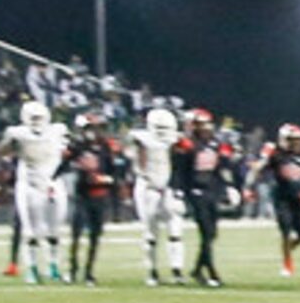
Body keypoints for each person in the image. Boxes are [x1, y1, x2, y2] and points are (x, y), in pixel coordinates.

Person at [0, 97, 68, 284]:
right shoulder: (17, 133)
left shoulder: (58, 131)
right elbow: (1, 150)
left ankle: (53, 266)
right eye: (32, 117)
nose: (36, 121)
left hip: (52, 184)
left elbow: (68, 151)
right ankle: (32, 269)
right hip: (29, 185)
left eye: (39, 117)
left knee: (54, 231)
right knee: (30, 232)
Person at [171, 108, 240, 287]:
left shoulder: (215, 144)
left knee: (211, 234)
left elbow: (222, 168)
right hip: (195, 191)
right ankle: (211, 273)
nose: (206, 128)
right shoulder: (185, 145)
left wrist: (228, 186)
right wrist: (178, 192)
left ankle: (197, 269)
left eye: (207, 124)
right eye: (201, 124)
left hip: (212, 190)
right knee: (207, 232)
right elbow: (179, 171)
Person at [122, 105, 185, 287]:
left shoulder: (175, 141)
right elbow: (137, 162)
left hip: (167, 187)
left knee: (175, 230)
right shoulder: (141, 140)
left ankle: (176, 269)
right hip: (148, 186)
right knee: (151, 232)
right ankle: (152, 270)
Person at [61, 112, 126, 286]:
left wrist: (109, 187)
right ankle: (72, 270)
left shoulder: (106, 148)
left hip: (99, 196)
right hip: (82, 196)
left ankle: (89, 272)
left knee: (95, 237)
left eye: (97, 128)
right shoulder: (77, 147)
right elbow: (63, 166)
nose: (95, 132)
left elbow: (114, 174)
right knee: (76, 235)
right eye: (91, 128)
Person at [258, 122, 300, 276]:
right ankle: (287, 263)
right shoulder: (274, 152)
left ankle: (287, 251)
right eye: (292, 140)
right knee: (286, 229)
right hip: (281, 196)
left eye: (298, 140)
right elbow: (259, 168)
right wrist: (249, 185)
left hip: (299, 196)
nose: (295, 143)